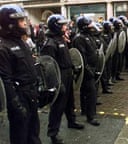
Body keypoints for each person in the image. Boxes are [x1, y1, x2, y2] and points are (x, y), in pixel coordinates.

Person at [0, 4, 41, 144]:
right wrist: (16, 105)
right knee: (20, 136)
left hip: (31, 94)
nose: (25, 22)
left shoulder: (22, 42)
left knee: (34, 132)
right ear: (10, 23)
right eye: (20, 20)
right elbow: (5, 80)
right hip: (20, 96)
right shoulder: (3, 47)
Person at [41, 14, 84, 144]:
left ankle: (72, 121)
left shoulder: (60, 39)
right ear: (56, 26)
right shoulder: (50, 44)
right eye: (63, 25)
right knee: (58, 107)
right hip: (59, 77)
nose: (66, 27)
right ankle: (53, 133)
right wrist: (57, 83)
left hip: (67, 74)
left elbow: (66, 57)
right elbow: (49, 67)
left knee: (70, 102)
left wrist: (73, 67)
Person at [72, 16, 100, 126]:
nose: (91, 26)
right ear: (83, 26)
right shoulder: (79, 38)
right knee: (91, 92)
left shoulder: (89, 36)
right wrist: (88, 70)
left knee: (85, 91)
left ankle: (85, 110)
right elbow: (81, 57)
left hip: (92, 68)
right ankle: (90, 116)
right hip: (87, 70)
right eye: (89, 25)